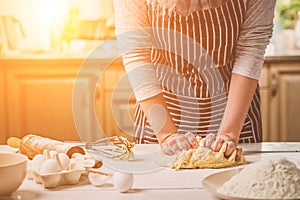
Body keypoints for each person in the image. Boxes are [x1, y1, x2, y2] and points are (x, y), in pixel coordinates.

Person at [113, 0, 276, 159]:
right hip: (160, 115)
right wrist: (166, 135)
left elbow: (251, 48)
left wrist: (229, 134)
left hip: (235, 114)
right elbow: (137, 53)